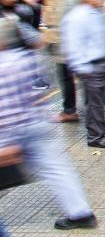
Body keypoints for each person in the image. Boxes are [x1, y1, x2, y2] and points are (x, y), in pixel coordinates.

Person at [0, 45, 98, 230]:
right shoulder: (24, 57)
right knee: (58, 169)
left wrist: (6, 142)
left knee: (55, 169)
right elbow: (44, 85)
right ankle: (81, 213)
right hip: (37, 122)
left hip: (11, 130)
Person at [60, 0, 105, 148]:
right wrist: (81, 67)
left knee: (98, 102)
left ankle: (97, 132)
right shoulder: (77, 17)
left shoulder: (98, 13)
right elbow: (73, 44)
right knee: (94, 103)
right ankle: (96, 137)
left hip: (101, 62)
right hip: (90, 65)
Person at [50, 0, 83, 123]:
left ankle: (69, 111)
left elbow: (61, 23)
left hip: (67, 46)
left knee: (66, 78)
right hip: (82, 45)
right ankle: (90, 107)